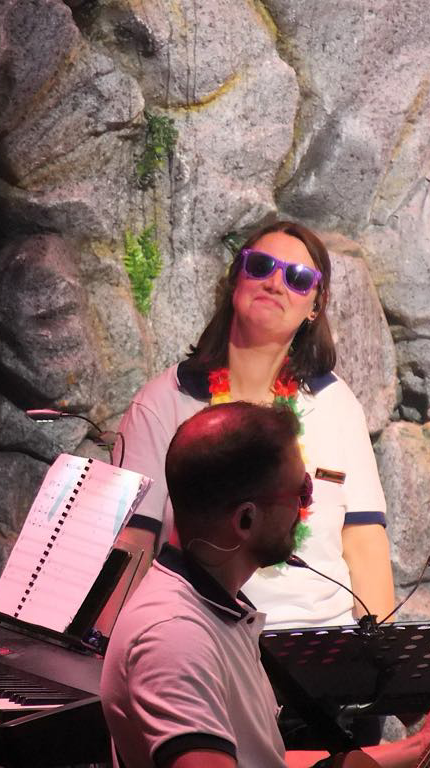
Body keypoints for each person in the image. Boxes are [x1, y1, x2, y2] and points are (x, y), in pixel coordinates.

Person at [100, 402, 430, 768]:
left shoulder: (213, 611)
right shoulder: (175, 637)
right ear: (246, 519)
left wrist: (427, 744)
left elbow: (266, 761)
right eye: (301, 491)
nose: (308, 506)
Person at [111, 220, 393, 630]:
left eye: (298, 278)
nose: (275, 283)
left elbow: (364, 540)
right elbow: (134, 543)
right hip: (204, 638)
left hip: (323, 638)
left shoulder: (337, 403)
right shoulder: (162, 402)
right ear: (235, 280)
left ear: (315, 307)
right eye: (261, 266)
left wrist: (380, 654)